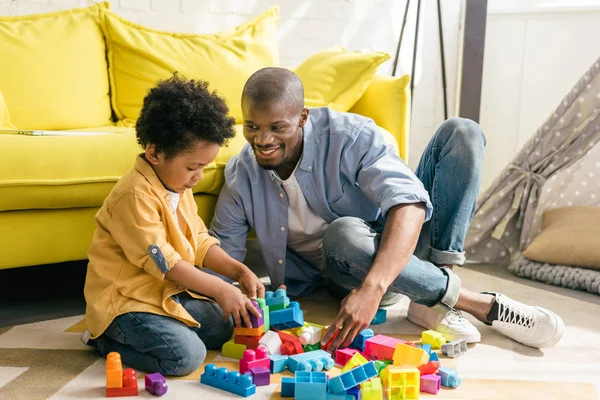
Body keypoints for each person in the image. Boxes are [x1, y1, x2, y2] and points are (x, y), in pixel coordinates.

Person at [211, 67, 564, 351]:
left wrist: (373, 290)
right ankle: (477, 304)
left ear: (302, 117)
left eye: (277, 127)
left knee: (463, 133)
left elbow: (408, 203)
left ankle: (432, 297)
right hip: (342, 276)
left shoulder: (350, 137)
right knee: (344, 235)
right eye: (252, 127)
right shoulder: (242, 174)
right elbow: (221, 256)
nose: (263, 140)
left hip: (386, 263)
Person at [82, 75, 265, 376]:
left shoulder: (178, 185)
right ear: (154, 153)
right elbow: (167, 263)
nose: (199, 176)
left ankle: (164, 327)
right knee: (186, 357)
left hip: (165, 294)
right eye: (193, 167)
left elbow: (200, 241)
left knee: (226, 325)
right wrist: (221, 289)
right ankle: (103, 338)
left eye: (205, 167)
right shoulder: (133, 195)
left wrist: (238, 271)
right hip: (126, 304)